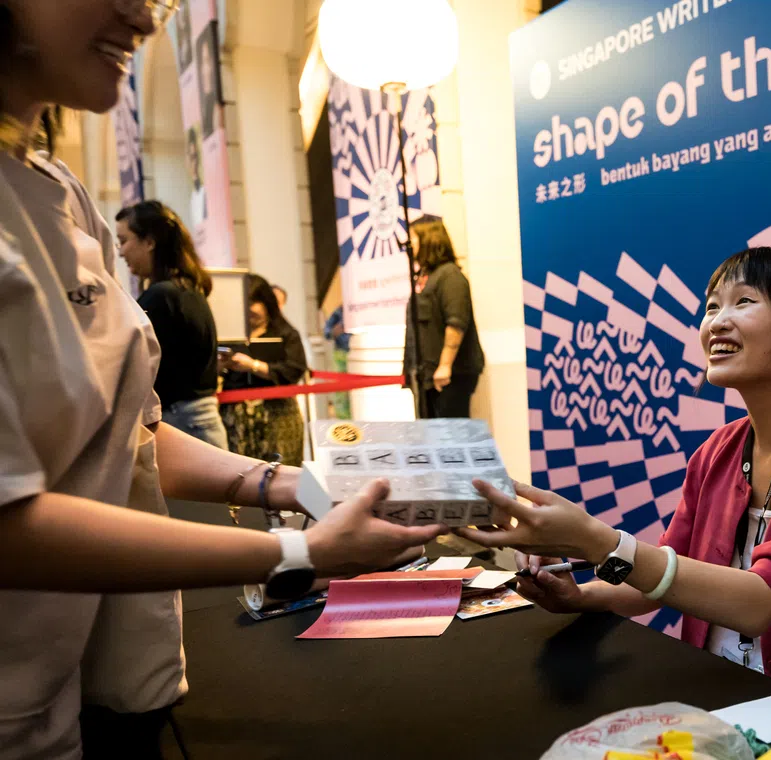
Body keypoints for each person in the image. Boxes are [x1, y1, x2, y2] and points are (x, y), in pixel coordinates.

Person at [0, 2, 443, 758]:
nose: (141, 17)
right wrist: (299, 553)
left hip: (93, 682)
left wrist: (296, 486)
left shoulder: (62, 193)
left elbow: (128, 432)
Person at [457, 247, 771, 720]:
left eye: (744, 302)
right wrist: (582, 596)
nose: (717, 322)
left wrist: (594, 540)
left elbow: (760, 603)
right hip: (722, 701)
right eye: (712, 306)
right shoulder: (716, 453)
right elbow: (661, 578)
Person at [116, 200, 227, 449]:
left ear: (149, 242)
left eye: (124, 241)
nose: (120, 252)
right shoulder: (185, 289)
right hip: (195, 421)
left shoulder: (162, 296)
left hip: (183, 423)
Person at [220, 274, 308, 465]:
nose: (248, 310)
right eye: (244, 303)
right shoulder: (228, 332)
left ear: (267, 303)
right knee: (240, 472)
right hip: (236, 419)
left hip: (278, 416)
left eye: (253, 303)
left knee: (282, 473)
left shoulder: (286, 333)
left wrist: (254, 366)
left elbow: (295, 369)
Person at [402, 216, 484, 418]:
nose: (408, 244)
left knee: (450, 442)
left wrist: (445, 365)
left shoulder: (449, 276)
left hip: (449, 378)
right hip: (426, 378)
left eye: (413, 238)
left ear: (429, 239)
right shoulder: (424, 277)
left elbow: (456, 323)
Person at [186, 126, 206, 229]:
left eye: (196, 157)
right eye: (191, 157)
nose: (194, 163)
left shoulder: (205, 191)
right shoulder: (193, 195)